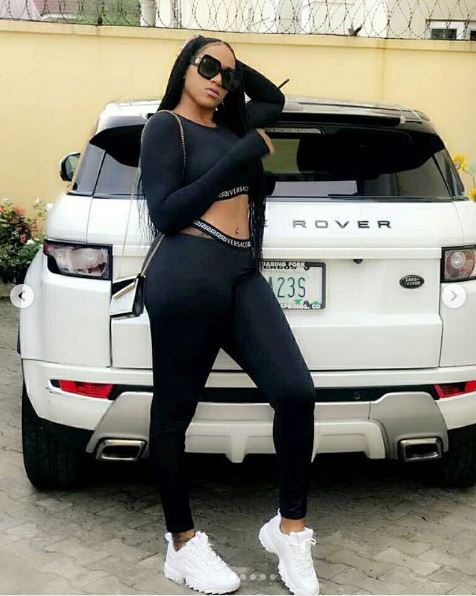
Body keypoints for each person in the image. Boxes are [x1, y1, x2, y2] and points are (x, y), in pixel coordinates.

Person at [140, 34, 320, 596]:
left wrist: (232, 63)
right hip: (187, 278)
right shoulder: (164, 128)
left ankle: (289, 531)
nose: (218, 79)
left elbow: (274, 101)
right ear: (183, 67)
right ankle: (182, 544)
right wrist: (238, 160)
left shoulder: (233, 123)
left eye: (227, 74)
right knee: (173, 416)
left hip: (241, 275)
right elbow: (166, 213)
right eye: (207, 66)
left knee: (296, 392)